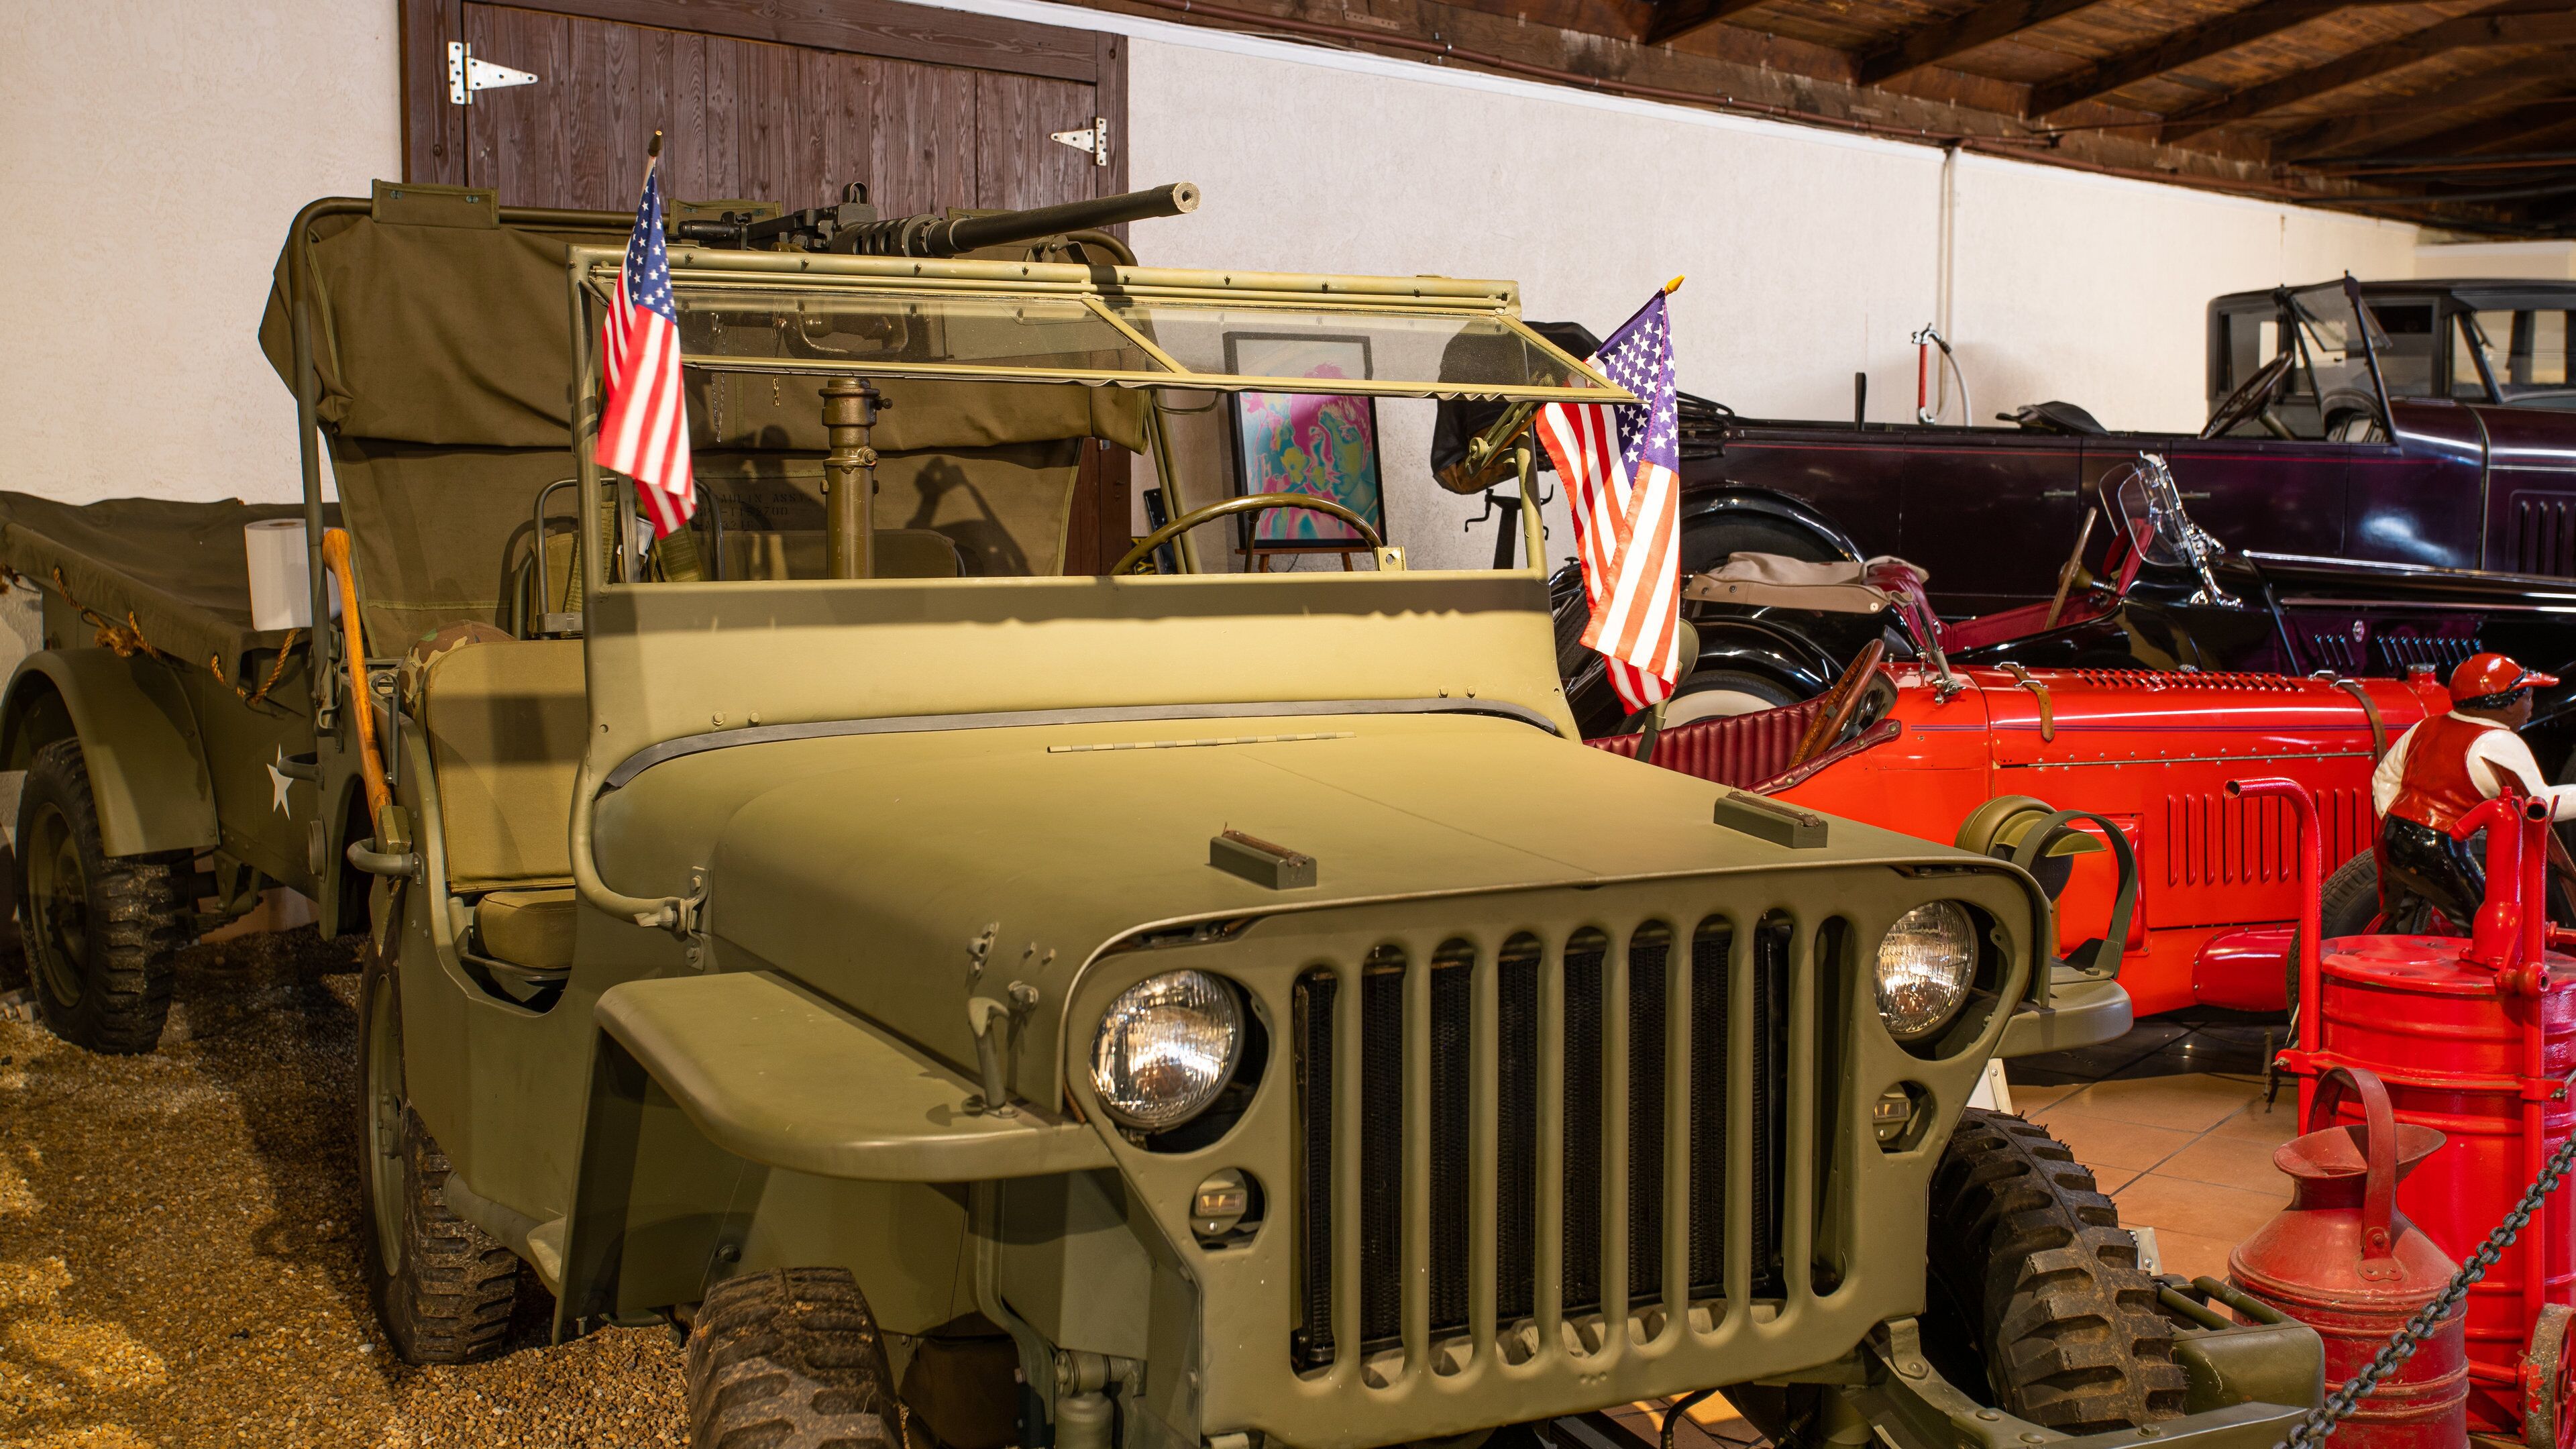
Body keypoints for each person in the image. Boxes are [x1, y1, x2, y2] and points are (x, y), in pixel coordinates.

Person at [2370, 652, 2576, 931]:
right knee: (2484, 923)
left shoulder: (2426, 726)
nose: (2532, 705)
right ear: (2506, 705)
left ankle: (2385, 964)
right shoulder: (2499, 742)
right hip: (2437, 844)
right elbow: (2538, 805)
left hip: (2392, 836)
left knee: (2400, 920)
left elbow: (2385, 777)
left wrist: (2398, 822)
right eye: (2527, 695)